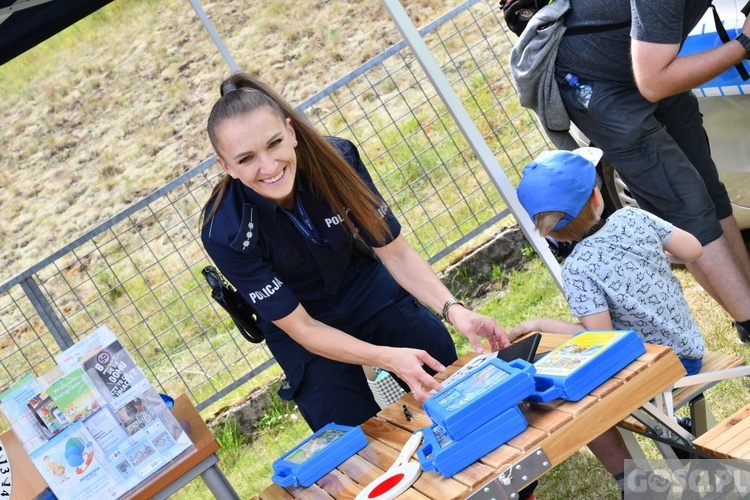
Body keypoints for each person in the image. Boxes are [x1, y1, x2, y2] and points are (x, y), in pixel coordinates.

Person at [200, 72, 509, 432]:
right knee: (352, 438)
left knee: (449, 383)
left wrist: (455, 311)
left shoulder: (339, 159)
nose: (268, 166)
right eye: (246, 158)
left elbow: (396, 253)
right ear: (226, 167)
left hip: (366, 287)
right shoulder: (224, 232)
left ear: (292, 132)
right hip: (304, 328)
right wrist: (387, 359)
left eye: (274, 143)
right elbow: (301, 326)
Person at [552, 1, 750, 343]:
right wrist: (744, 45)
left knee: (710, 191)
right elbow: (653, 82)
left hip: (646, 61)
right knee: (688, 208)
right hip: (600, 84)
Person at [511, 147, 706, 492]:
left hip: (654, 372)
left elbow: (601, 338)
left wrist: (543, 325)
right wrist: (654, 257)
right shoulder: (632, 219)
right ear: (598, 197)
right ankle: (675, 431)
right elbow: (692, 250)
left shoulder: (577, 269)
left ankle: (636, 483)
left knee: (571, 392)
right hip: (689, 352)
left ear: (550, 231)